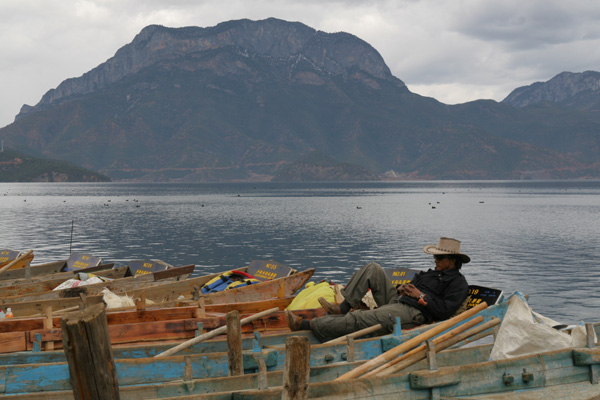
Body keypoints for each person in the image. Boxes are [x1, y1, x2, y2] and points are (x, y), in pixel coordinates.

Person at [285, 237, 470, 342]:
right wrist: (402, 288)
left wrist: (420, 295)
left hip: (414, 311)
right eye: (435, 257)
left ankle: (306, 325)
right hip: (399, 300)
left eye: (439, 258)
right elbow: (411, 287)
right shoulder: (430, 273)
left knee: (361, 318)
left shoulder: (458, 283)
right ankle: (343, 306)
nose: (435, 260)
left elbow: (445, 311)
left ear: (453, 260)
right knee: (373, 269)